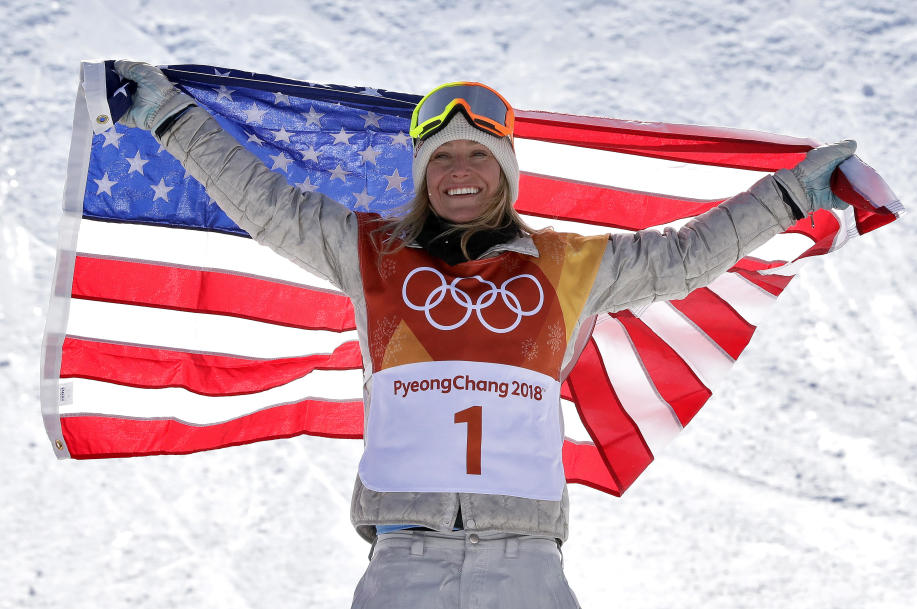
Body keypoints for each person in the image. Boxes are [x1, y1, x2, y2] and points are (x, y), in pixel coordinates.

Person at [113, 61, 855, 609]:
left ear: (504, 172)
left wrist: (789, 194)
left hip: (526, 567)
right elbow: (265, 201)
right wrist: (168, 115)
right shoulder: (369, 250)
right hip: (402, 564)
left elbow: (684, 256)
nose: (458, 171)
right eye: (441, 158)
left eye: (477, 156)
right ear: (421, 173)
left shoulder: (571, 267)